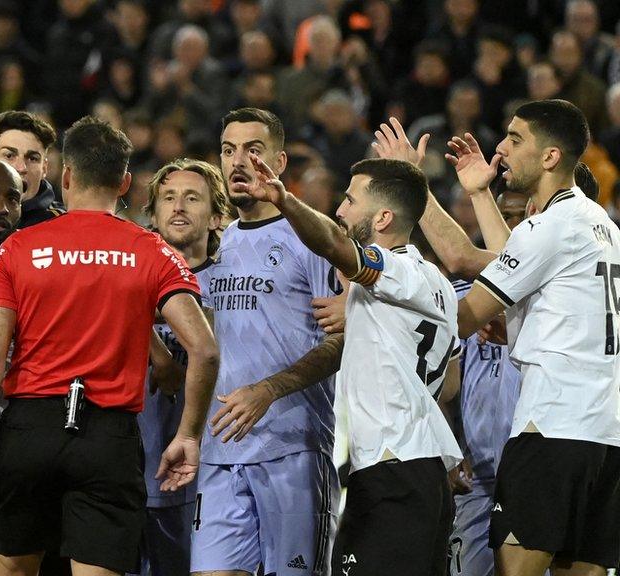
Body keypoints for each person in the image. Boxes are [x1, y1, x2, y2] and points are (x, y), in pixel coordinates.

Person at [0, 116, 219, 576]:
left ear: (67, 176)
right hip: (107, 435)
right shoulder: (152, 251)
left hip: (29, 429)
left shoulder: (17, 249)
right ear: (124, 182)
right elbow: (205, 349)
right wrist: (189, 435)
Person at [401, 99, 620, 576]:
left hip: (551, 427)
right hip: (604, 435)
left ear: (549, 158)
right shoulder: (601, 224)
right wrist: (480, 195)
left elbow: (463, 314)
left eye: (515, 139)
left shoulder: (549, 228)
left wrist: (382, 287)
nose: (502, 148)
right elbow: (519, 274)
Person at [245, 155, 462, 576]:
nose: (340, 210)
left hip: (392, 469)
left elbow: (334, 245)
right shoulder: (440, 286)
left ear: (382, 217)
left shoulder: (393, 270)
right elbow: (449, 383)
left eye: (349, 199)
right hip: (423, 468)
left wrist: (286, 202)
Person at [191, 108, 343, 576]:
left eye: (252, 151)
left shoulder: (310, 238)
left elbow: (340, 343)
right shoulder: (216, 244)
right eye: (228, 150)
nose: (238, 162)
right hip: (219, 452)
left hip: (292, 447)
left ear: (278, 161)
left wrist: (268, 390)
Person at [137, 158, 229, 576]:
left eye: (192, 198)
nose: (178, 207)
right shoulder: (131, 274)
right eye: (168, 198)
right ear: (153, 214)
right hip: (138, 466)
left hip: (213, 470)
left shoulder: (233, 280)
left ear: (216, 216)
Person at [445, 191, 525, 576]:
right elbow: (439, 383)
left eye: (518, 217)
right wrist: (447, 449)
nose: (509, 229)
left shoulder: (550, 300)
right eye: (502, 216)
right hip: (474, 476)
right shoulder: (461, 300)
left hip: (529, 473)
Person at [0, 111, 64, 228]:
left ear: (44, 169)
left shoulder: (61, 224)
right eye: (9, 156)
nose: (21, 168)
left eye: (32, 158)